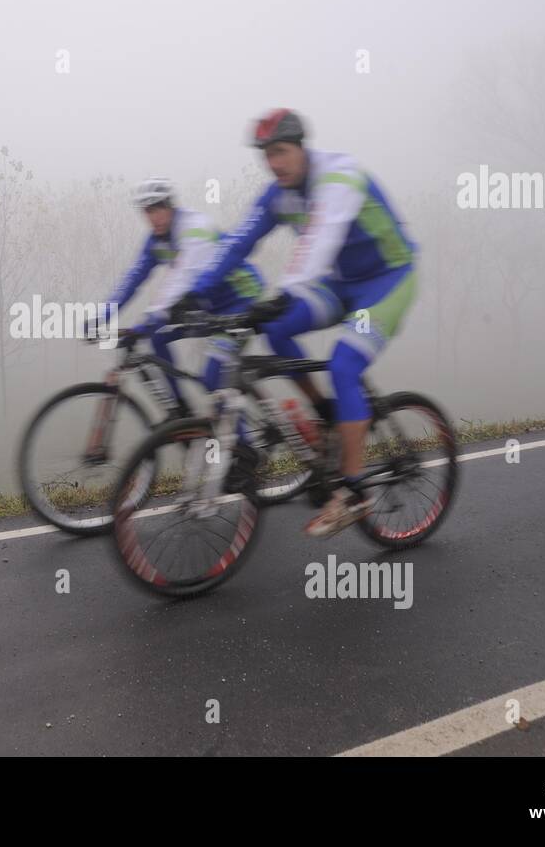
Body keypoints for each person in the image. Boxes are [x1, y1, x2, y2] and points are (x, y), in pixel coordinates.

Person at [178, 109, 418, 538]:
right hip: (340, 284)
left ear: (302, 147)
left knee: (344, 364)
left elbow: (320, 239)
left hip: (388, 280)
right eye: (266, 155)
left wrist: (284, 292)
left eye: (281, 152)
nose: (274, 163)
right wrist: (193, 294)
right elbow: (236, 243)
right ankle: (325, 411)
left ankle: (355, 489)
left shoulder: (339, 177)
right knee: (276, 329)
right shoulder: (278, 195)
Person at [98, 177, 264, 413]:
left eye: (157, 209)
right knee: (157, 336)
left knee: (213, 378)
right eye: (147, 211)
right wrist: (103, 314)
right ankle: (181, 410)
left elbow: (182, 278)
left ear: (171, 205)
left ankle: (242, 445)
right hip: (208, 306)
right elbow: (133, 278)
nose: (152, 217)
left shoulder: (195, 228)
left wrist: (148, 319)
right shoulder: (156, 240)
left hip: (240, 301)